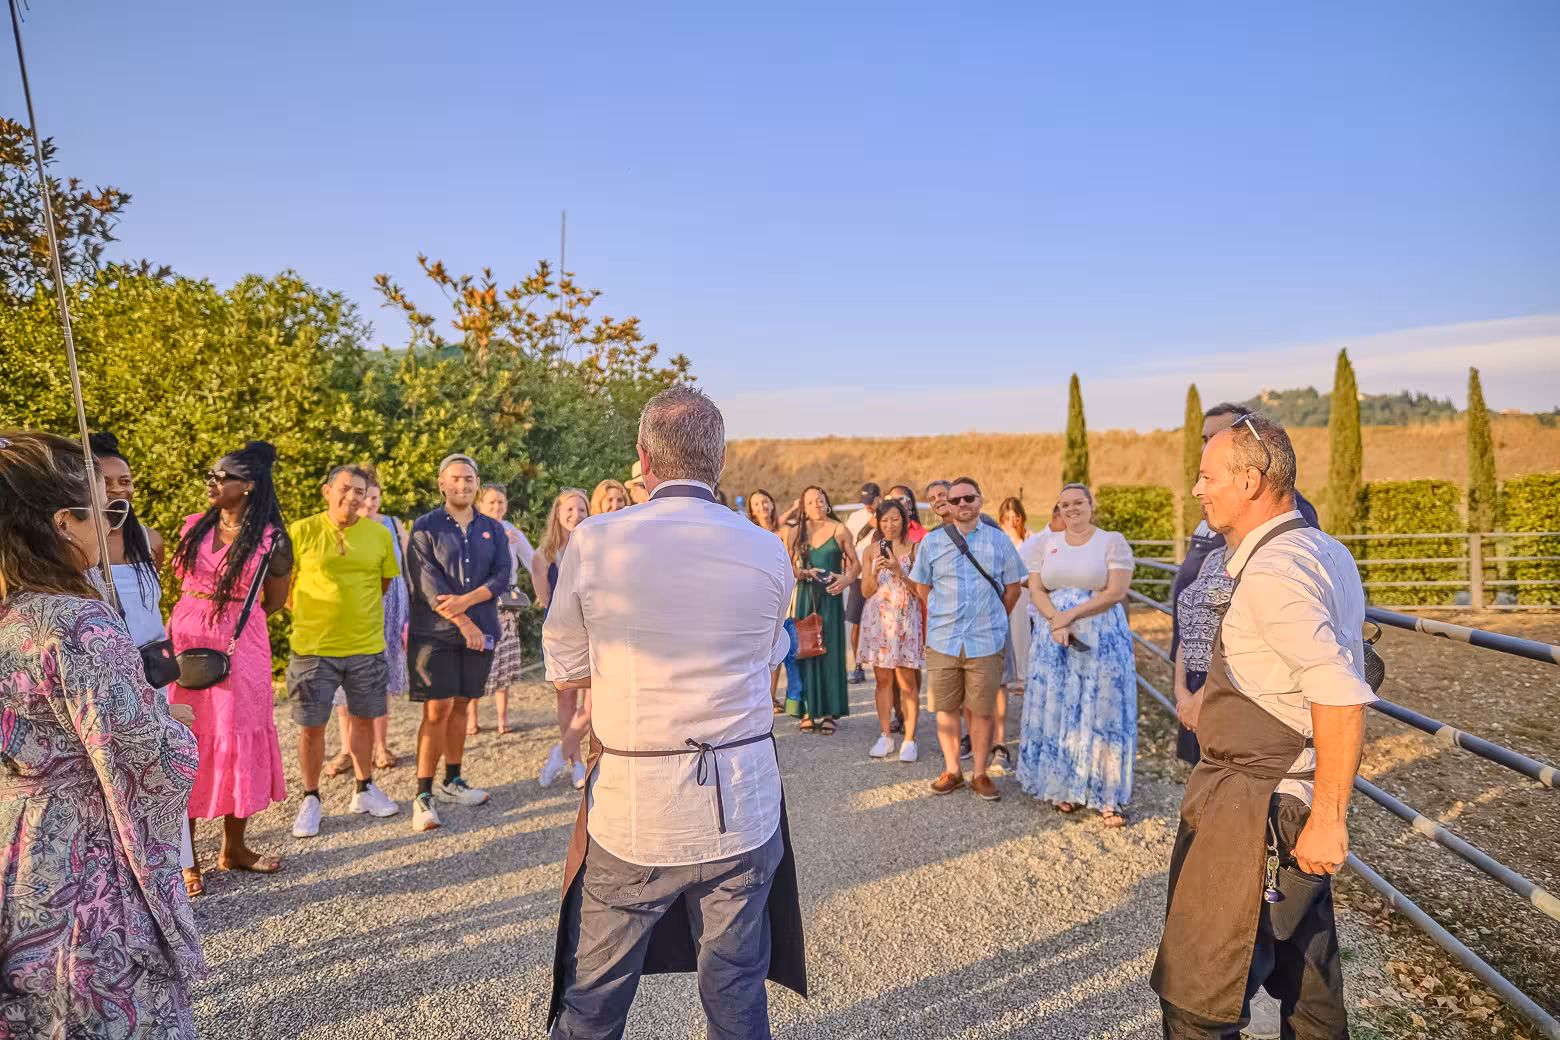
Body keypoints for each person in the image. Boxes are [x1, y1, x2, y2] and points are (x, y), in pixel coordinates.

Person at [542, 386, 806, 1039]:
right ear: (720, 460)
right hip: (741, 796)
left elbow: (566, 667)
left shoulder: (598, 538)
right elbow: (770, 651)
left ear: (642, 458)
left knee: (595, 995)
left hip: (639, 801)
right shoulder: (766, 547)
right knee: (736, 986)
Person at [1152, 415, 1373, 1039]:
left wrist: (1330, 818)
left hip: (1257, 809)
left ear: (1249, 480)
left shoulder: (1274, 571)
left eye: (1207, 476)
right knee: (1309, 985)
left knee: (1199, 997)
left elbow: (1338, 689)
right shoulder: (1323, 548)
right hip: (1287, 800)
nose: (1198, 490)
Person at [0, 431, 207, 1038]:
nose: (112, 521)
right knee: (107, 1004)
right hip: (91, 854)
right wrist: (171, 725)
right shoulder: (78, 620)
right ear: (66, 522)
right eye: (105, 508)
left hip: (16, 844)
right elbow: (147, 759)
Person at [169, 441, 293, 896]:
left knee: (236, 740)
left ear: (249, 486)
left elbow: (276, 601)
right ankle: (186, 857)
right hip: (185, 639)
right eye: (212, 475)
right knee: (184, 741)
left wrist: (229, 617)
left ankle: (234, 848)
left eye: (223, 477)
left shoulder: (271, 540)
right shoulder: (192, 529)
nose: (213, 483)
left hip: (241, 646)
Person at [1171, 402, 1321, 768]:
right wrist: (1184, 690)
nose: (1198, 488)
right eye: (1205, 438)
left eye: (1216, 438)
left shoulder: (1280, 535)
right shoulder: (1217, 517)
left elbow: (1324, 679)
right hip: (1199, 675)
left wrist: (1204, 695)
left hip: (1240, 701)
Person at [90, 432, 197, 876]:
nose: (119, 491)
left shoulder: (148, 539)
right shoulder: (77, 546)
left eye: (126, 481)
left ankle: (181, 862)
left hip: (153, 667)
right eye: (107, 482)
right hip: (105, 669)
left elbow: (152, 605)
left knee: (164, 762)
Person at [285, 465, 402, 839]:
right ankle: (311, 797)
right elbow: (284, 589)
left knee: (364, 720)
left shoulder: (379, 535)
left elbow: (382, 585)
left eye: (360, 491)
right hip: (313, 649)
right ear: (327, 491)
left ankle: (364, 789)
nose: (352, 497)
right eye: (346, 489)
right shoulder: (301, 531)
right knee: (311, 727)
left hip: (366, 647)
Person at [1018, 483, 1136, 826]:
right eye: (1064, 505)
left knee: (1103, 710)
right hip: (1055, 636)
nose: (1071, 509)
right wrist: (1056, 621)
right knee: (1060, 708)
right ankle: (1063, 786)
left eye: (1078, 503)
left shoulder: (1111, 541)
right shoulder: (1045, 543)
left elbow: (1116, 591)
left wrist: (1067, 617)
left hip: (1100, 636)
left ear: (1090, 505)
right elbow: (1036, 588)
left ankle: (1107, 794)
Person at [406, 453, 512, 831]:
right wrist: (463, 621)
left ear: (477, 483)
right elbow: (427, 584)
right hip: (435, 635)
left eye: (469, 479)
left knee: (463, 705)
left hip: (480, 629)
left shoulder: (493, 529)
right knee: (437, 709)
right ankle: (422, 795)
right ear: (441, 483)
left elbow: (503, 576)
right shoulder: (425, 527)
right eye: (455, 479)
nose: (462, 485)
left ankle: (452, 781)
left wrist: (467, 604)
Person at [909, 477, 1025, 801]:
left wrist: (993, 617)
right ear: (948, 503)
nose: (962, 504)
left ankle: (979, 773)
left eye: (968, 499)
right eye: (956, 499)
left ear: (980, 501)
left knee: (982, 710)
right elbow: (922, 586)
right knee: (946, 709)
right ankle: (951, 770)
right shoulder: (932, 543)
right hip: (943, 640)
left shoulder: (998, 541)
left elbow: (1014, 586)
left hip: (985, 641)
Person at [324, 472, 411, 774]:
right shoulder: (342, 527)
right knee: (345, 684)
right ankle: (346, 750)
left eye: (375, 497)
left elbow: (411, 568)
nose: (370, 502)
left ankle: (381, 746)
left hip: (391, 615)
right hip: (352, 616)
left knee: (381, 684)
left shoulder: (393, 525)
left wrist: (412, 617)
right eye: (365, 496)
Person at [782, 486, 859, 734]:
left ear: (827, 503)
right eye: (810, 501)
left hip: (831, 598)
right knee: (805, 651)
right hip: (805, 598)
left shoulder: (839, 529)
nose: (816, 505)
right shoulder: (794, 532)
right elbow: (786, 567)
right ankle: (806, 710)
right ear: (803, 506)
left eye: (820, 500)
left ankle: (828, 712)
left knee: (830, 653)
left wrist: (845, 580)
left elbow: (855, 565)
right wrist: (805, 573)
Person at [857, 497, 924, 762]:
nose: (890, 524)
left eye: (895, 519)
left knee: (907, 682)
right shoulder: (870, 551)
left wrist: (898, 570)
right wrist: (874, 572)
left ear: (904, 519)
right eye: (885, 520)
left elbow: (920, 591)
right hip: (879, 620)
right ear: (878, 522)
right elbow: (865, 591)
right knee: (883, 679)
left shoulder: (916, 548)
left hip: (905, 619)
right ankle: (885, 735)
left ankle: (909, 738)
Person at [534, 487, 592, 788]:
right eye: (569, 509)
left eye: (581, 509)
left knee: (593, 703)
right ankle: (576, 762)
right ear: (558, 514)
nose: (575, 514)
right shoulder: (545, 555)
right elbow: (544, 600)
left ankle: (561, 750)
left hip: (594, 631)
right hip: (561, 633)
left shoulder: (596, 545)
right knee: (566, 697)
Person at [468, 482, 532, 736]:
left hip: (506, 605)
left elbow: (533, 559)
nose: (496, 507)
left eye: (501, 502)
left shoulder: (512, 531)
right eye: (491, 502)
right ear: (480, 505)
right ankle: (471, 719)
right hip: (478, 604)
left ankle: (502, 719)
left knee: (504, 662)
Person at [844, 482, 881, 684]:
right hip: (858, 575)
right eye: (864, 501)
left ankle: (880, 662)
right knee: (856, 621)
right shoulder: (856, 517)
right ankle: (858, 665)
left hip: (879, 575)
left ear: (879, 498)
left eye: (871, 501)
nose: (867, 505)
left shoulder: (887, 514)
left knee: (880, 621)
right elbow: (848, 542)